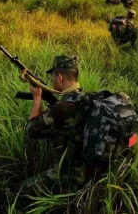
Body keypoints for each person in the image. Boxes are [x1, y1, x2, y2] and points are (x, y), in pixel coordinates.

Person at [20, 55, 89, 198]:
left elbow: (32, 130)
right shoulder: (86, 98)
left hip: (75, 177)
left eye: (52, 77)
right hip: (96, 169)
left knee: (22, 191)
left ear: (60, 77)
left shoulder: (63, 107)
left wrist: (37, 97)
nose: (51, 80)